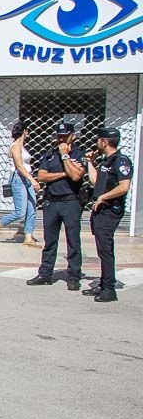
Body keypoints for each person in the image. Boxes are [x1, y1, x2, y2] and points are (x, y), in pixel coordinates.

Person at [27, 122, 86, 292]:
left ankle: (74, 276)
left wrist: (65, 156)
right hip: (51, 201)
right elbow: (41, 176)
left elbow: (76, 176)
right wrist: (63, 173)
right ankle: (45, 273)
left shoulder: (78, 154)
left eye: (64, 136)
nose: (61, 139)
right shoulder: (50, 154)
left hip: (71, 201)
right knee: (49, 241)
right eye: (59, 136)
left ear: (72, 136)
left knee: (73, 241)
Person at [84, 127, 132, 303]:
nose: (96, 142)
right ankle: (104, 283)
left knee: (105, 250)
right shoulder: (105, 162)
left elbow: (124, 186)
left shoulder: (121, 161)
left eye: (98, 139)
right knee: (102, 249)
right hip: (100, 211)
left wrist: (103, 196)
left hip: (110, 211)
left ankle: (109, 289)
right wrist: (91, 162)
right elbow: (95, 181)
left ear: (104, 142)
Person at [0, 122, 41, 247]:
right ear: (25, 131)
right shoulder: (16, 146)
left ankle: (28, 237)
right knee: (20, 211)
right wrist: (33, 180)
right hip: (19, 179)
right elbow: (19, 166)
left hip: (26, 179)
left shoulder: (22, 146)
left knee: (32, 209)